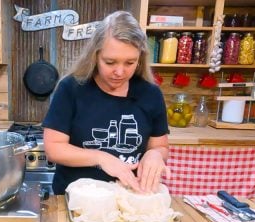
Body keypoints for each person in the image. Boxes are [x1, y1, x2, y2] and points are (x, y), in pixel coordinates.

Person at [42, 11, 171, 195]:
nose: (120, 72)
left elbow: (160, 146)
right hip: (77, 198)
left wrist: (155, 155)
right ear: (95, 56)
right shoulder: (71, 88)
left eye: (130, 62)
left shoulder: (150, 94)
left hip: (130, 195)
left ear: (140, 58)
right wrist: (101, 158)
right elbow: (54, 148)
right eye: (110, 62)